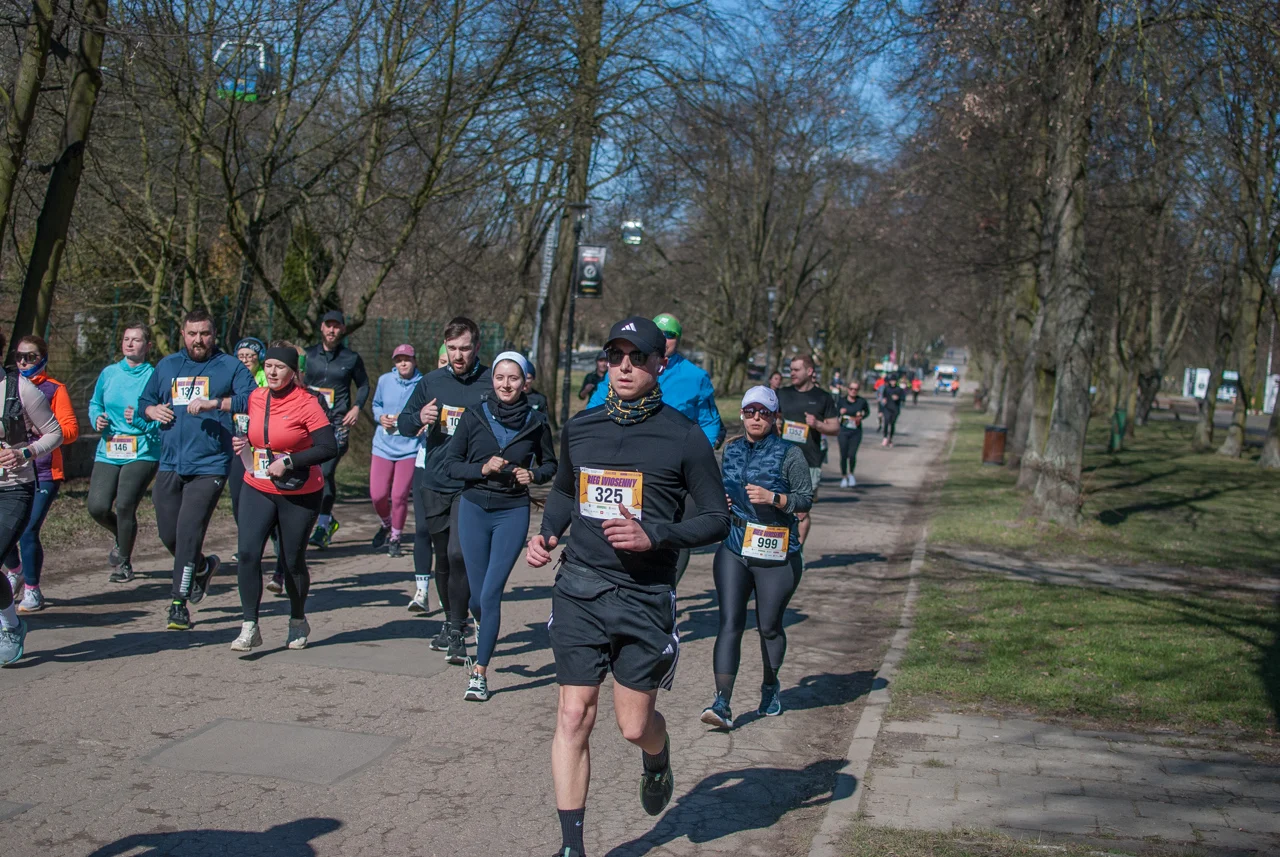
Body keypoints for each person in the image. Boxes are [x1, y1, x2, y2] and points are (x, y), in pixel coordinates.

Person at [527, 316, 730, 857]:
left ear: (659, 363)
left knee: (633, 725)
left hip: (642, 596)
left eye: (636, 357)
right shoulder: (582, 427)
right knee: (573, 715)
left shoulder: (683, 437)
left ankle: (657, 756)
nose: (624, 366)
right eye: (616, 356)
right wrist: (547, 534)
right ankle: (573, 847)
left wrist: (655, 535)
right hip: (580, 585)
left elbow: (716, 519)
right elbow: (567, 494)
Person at [441, 352, 557, 697]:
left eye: (513, 378)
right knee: (478, 598)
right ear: (492, 381)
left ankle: (479, 673)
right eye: (500, 378)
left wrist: (533, 474)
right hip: (474, 507)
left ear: (525, 383)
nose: (506, 385)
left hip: (512, 511)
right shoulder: (474, 416)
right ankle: (480, 619)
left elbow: (552, 465)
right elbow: (451, 465)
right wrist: (481, 469)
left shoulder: (537, 422)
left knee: (491, 594)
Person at [701, 386, 812, 729]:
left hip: (776, 550)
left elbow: (805, 500)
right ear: (743, 415)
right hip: (736, 545)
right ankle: (722, 703)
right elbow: (723, 488)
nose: (756, 418)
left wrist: (775, 498)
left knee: (769, 626)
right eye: (750, 412)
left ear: (775, 417)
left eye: (763, 412)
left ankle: (769, 685)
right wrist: (724, 501)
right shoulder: (731, 450)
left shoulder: (789, 454)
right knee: (730, 623)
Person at [139, 309, 256, 631]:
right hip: (170, 462)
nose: (198, 340)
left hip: (210, 464)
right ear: (183, 334)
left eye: (204, 333)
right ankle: (202, 567)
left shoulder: (229, 366)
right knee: (169, 534)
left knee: (189, 532)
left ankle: (178, 602)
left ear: (213, 334)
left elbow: (252, 400)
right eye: (192, 334)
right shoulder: (168, 365)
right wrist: (152, 410)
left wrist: (215, 403)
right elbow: (144, 403)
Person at [228, 346, 338, 651]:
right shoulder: (256, 397)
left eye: (280, 367)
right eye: (269, 366)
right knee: (248, 554)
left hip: (298, 491)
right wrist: (243, 443)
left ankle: (298, 619)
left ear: (293, 371)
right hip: (258, 484)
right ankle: (250, 624)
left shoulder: (307, 403)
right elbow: (248, 430)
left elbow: (329, 447)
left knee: (292, 561)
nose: (273, 372)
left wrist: (289, 461)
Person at [397, 317, 490, 644]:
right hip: (436, 478)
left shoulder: (491, 382)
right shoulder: (431, 382)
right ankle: (453, 621)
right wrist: (418, 418)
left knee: (457, 554)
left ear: (477, 347)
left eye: (465, 348)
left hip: (473, 482)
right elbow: (404, 424)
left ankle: (457, 622)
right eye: (452, 349)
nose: (458, 355)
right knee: (442, 556)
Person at [0, 331, 64, 665]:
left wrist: (25, 451)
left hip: (13, 488)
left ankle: (10, 627)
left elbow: (56, 432)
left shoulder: (20, 390)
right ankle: (10, 620)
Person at [1, 336, 78, 613]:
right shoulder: (9, 386)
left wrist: (30, 438)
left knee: (29, 530)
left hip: (43, 471)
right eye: (20, 356)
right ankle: (16, 571)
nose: (23, 361)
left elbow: (66, 431)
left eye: (30, 357)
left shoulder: (49, 389)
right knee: (7, 536)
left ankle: (32, 590)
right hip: (9, 472)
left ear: (43, 358)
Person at [85, 324, 161, 585]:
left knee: (125, 504)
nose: (130, 344)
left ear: (147, 346)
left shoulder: (154, 376)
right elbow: (95, 403)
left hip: (143, 448)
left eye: (136, 340)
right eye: (126, 339)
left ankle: (124, 563)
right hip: (110, 447)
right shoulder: (109, 373)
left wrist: (140, 420)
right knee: (97, 507)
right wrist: (97, 419)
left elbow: (163, 418)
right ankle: (123, 534)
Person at [587, 313, 724, 447]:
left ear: (679, 339)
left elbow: (709, 423)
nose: (664, 338)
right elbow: (593, 411)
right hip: (625, 448)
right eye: (659, 332)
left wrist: (699, 457)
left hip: (673, 452)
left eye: (670, 334)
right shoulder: (621, 371)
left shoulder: (696, 376)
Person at [304, 310, 369, 549]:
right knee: (310, 471)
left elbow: (363, 385)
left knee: (325, 470)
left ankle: (323, 525)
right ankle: (319, 520)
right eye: (328, 326)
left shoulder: (351, 358)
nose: (332, 330)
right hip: (309, 421)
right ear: (322, 327)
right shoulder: (308, 355)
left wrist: (356, 408)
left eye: (336, 326)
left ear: (343, 329)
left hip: (337, 424)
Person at [775, 354, 838, 545]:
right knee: (779, 507)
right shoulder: (782, 394)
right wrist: (776, 424)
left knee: (801, 512)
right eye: (790, 369)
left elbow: (835, 428)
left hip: (809, 461)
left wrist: (818, 424)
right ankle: (780, 550)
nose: (791, 373)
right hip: (781, 459)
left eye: (796, 370)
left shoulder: (823, 398)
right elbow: (774, 417)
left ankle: (797, 552)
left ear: (809, 371)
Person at [370, 344, 422, 559]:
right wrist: (380, 417)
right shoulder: (384, 380)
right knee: (378, 495)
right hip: (383, 445)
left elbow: (425, 411)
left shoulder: (423, 384)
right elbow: (376, 405)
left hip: (409, 447)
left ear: (414, 361)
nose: (403, 363)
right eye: (398, 359)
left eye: (407, 359)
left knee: (399, 496)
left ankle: (395, 538)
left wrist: (419, 423)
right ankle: (386, 523)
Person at [837, 382, 871, 489]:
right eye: (851, 388)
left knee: (852, 454)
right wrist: (840, 412)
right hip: (843, 431)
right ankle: (843, 477)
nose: (853, 391)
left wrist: (862, 416)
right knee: (843, 455)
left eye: (855, 389)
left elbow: (867, 412)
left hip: (856, 432)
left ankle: (851, 474)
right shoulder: (841, 401)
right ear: (848, 389)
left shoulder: (861, 401)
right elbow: (834, 412)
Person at [881, 375, 907, 447]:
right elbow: (884, 397)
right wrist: (883, 400)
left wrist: (898, 398)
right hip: (887, 408)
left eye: (894, 381)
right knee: (886, 422)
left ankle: (890, 439)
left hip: (895, 409)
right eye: (892, 381)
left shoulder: (899, 389)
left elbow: (903, 398)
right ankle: (885, 437)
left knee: (892, 424)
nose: (893, 382)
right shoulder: (886, 389)